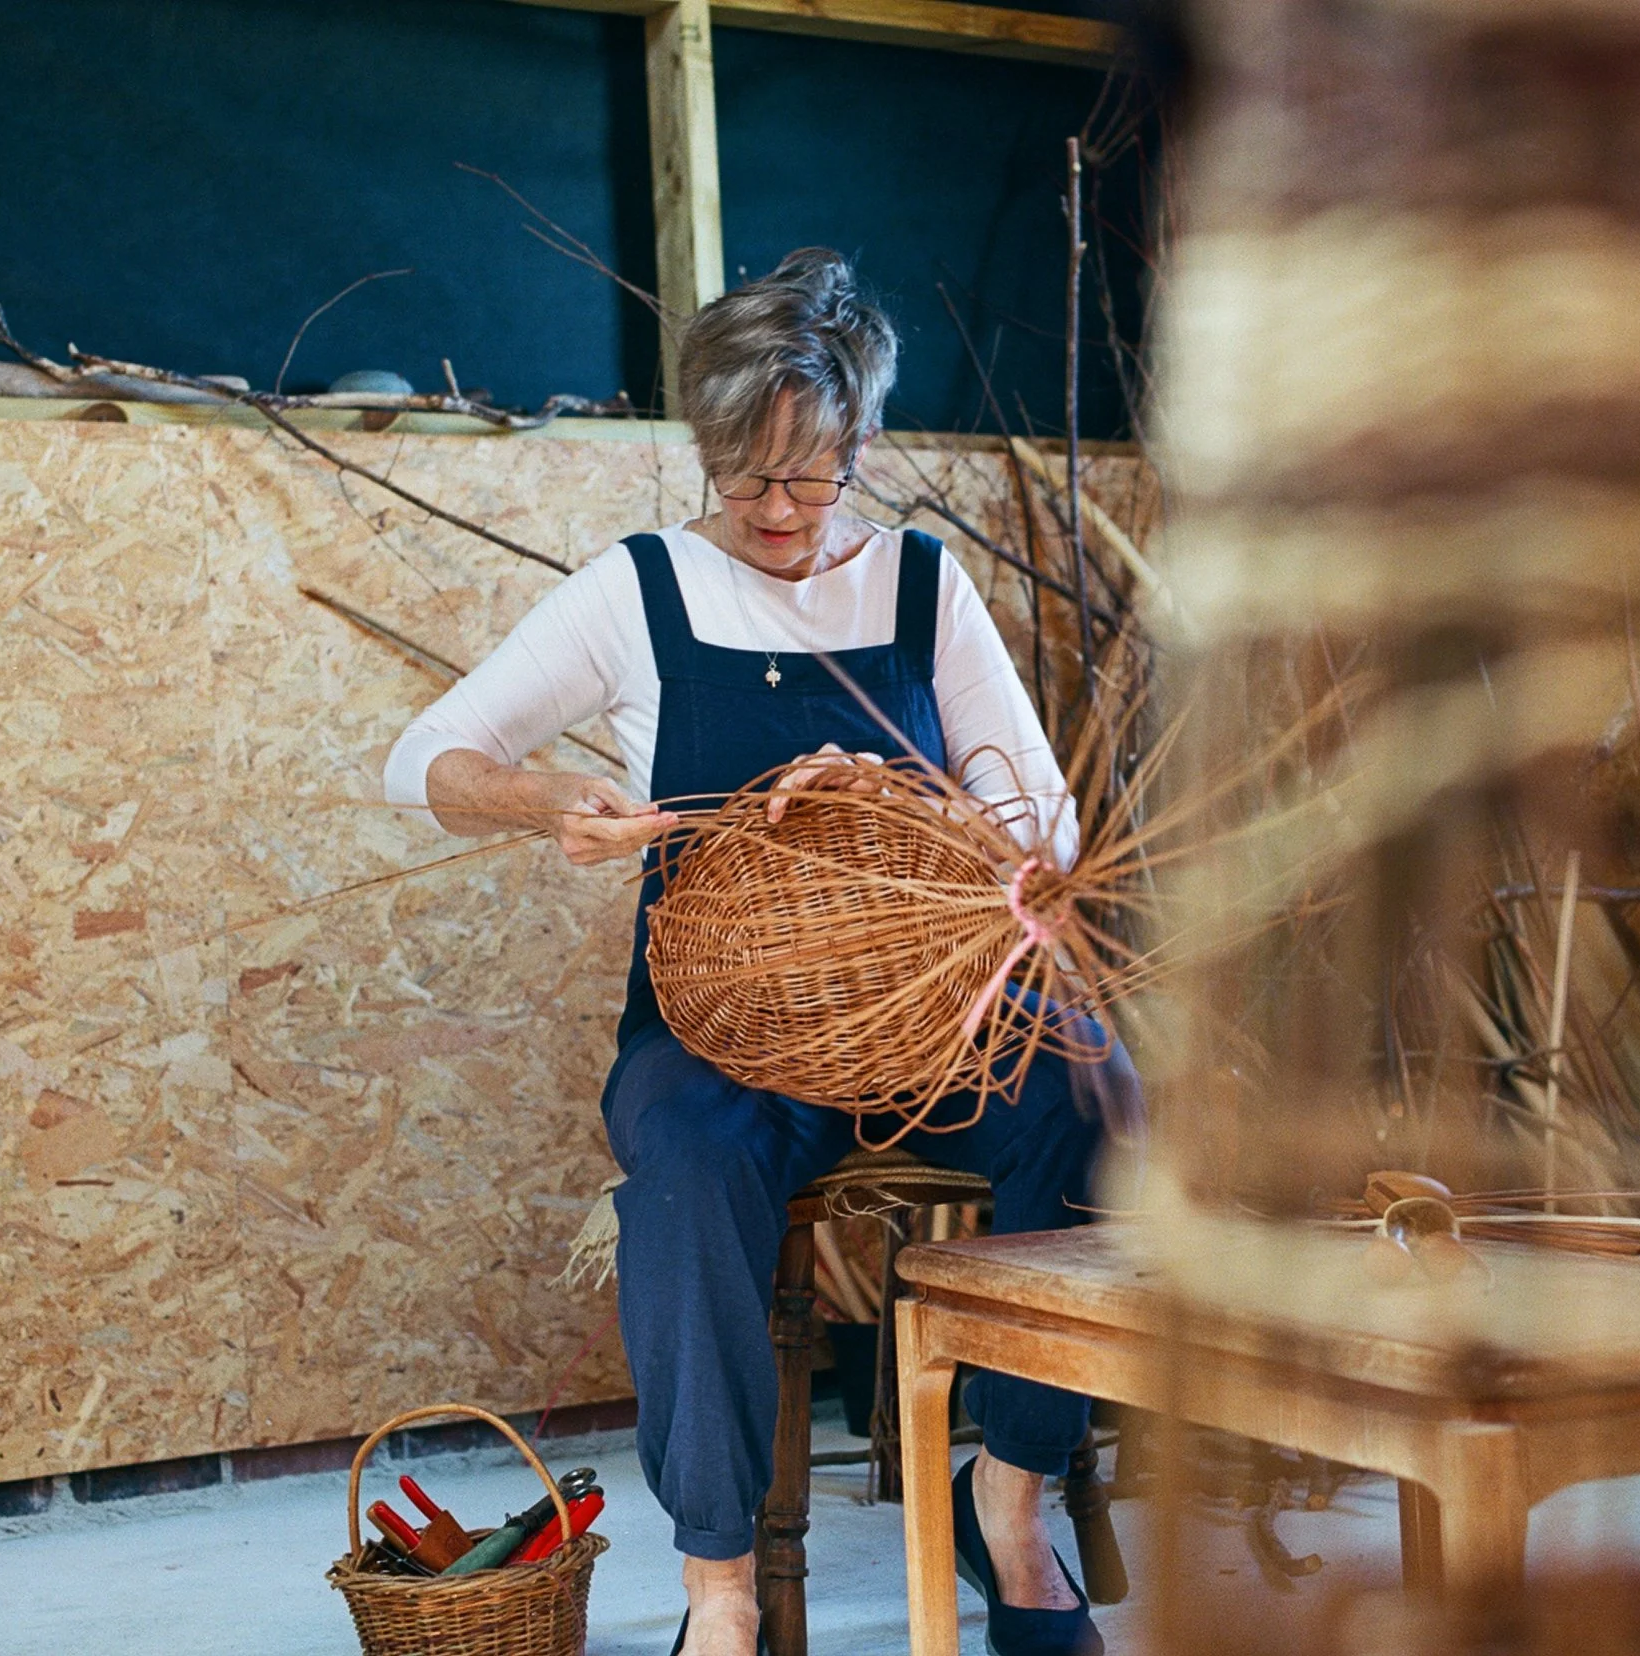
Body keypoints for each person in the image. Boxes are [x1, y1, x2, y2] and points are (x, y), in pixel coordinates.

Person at [385, 248, 1121, 1656]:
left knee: (1095, 1087)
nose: (778, 511)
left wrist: (896, 796)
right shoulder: (641, 587)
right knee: (687, 1165)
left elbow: (1053, 825)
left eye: (813, 473)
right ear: (705, 450)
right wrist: (551, 798)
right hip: (717, 1031)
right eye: (745, 474)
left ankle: (1011, 1499)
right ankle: (719, 1590)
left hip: (928, 1025)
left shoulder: (919, 585)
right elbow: (419, 759)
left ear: (864, 447)